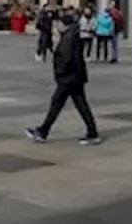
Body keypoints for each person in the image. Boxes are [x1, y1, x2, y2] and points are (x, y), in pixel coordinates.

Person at [26, 11, 101, 145]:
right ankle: (92, 132)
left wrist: (59, 72)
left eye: (58, 24)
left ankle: (43, 131)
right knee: (79, 105)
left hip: (68, 78)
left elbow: (66, 59)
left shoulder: (68, 38)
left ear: (64, 24)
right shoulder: (72, 34)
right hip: (75, 77)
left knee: (57, 103)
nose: (56, 26)